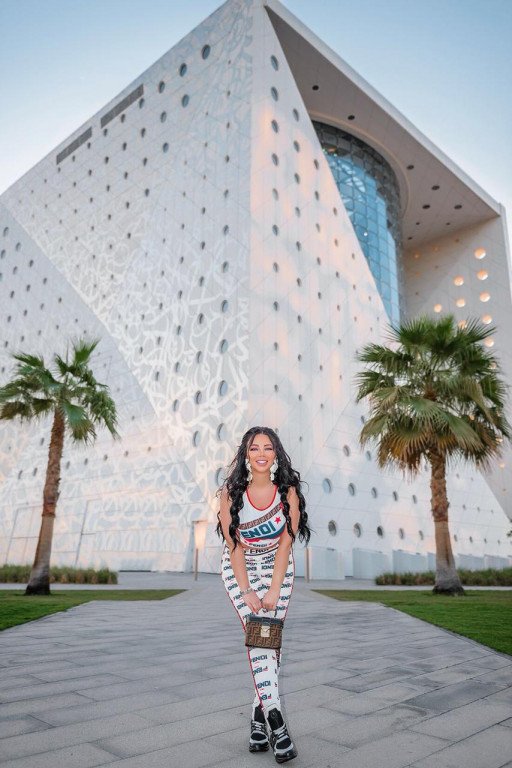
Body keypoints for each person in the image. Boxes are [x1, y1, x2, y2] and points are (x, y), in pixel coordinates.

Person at [216, 426, 311, 763]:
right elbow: (235, 546)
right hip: (240, 570)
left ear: (276, 454)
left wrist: (272, 589)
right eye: (254, 448)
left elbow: (286, 544)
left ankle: (258, 721)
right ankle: (276, 722)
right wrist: (248, 591)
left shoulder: (288, 492)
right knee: (260, 638)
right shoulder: (229, 492)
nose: (260, 453)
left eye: (267, 448)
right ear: (245, 454)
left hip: (277, 571)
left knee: (269, 640)